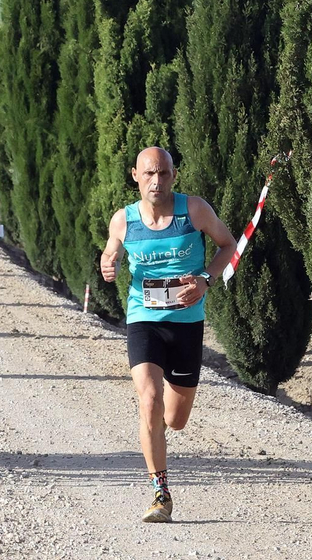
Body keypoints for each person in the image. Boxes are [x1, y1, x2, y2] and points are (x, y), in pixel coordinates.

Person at [100, 146, 238, 523]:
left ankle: (155, 430)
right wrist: (109, 263)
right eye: (149, 174)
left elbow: (229, 245)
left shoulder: (194, 210)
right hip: (143, 319)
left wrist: (206, 279)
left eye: (163, 173)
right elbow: (111, 253)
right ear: (135, 176)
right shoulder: (124, 220)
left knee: (174, 419)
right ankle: (160, 493)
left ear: (174, 175)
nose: (156, 181)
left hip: (187, 324)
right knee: (149, 400)